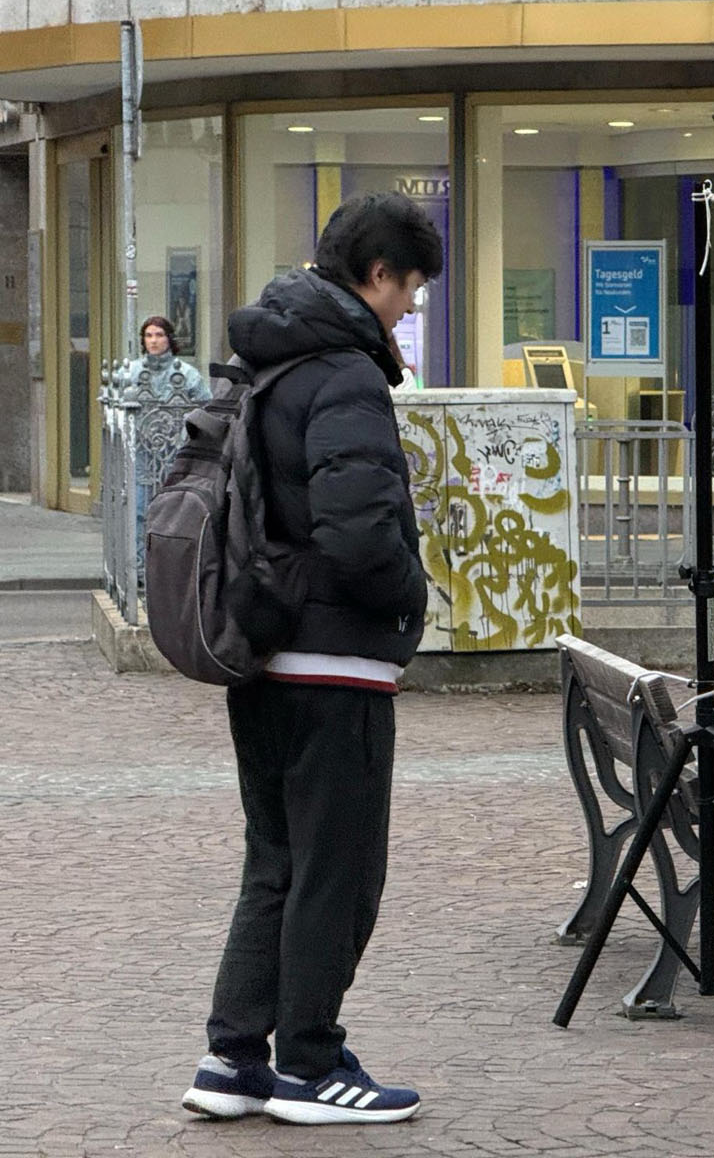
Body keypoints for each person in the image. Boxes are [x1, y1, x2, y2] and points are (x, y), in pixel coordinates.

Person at [180, 193, 441, 1126]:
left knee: (276, 864)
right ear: (377, 274)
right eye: (408, 290)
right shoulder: (345, 375)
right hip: (335, 662)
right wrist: (408, 595)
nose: (408, 309)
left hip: (261, 647)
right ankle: (310, 1065)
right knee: (338, 872)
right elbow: (359, 530)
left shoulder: (269, 361)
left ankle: (235, 1059)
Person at [112, 313, 210, 400]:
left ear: (169, 338)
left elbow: (205, 406)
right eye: (148, 335)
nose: (153, 341)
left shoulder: (188, 373)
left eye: (159, 335)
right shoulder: (128, 372)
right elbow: (113, 404)